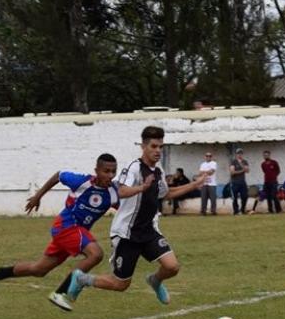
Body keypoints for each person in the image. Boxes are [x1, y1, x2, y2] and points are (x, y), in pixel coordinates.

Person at [0, 154, 152, 311]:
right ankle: (61, 292)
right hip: (66, 225)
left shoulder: (113, 193)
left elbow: (127, 209)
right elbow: (58, 175)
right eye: (106, 171)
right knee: (96, 254)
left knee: (39, 269)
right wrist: (38, 196)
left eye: (113, 171)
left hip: (74, 233)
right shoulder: (81, 182)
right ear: (96, 170)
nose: (110, 175)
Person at [65, 126, 206, 306]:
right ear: (143, 147)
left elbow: (166, 193)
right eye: (153, 146)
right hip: (127, 234)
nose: (158, 151)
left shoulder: (158, 171)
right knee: (120, 284)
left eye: (161, 147)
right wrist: (142, 187)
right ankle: (82, 279)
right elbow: (121, 190)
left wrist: (194, 185)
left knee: (172, 267)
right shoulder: (133, 168)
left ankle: (155, 280)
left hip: (148, 231)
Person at [229, 148, 250, 215]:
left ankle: (242, 210)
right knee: (234, 198)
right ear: (236, 154)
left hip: (242, 182)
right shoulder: (233, 162)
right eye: (238, 153)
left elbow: (247, 170)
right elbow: (232, 172)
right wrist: (242, 171)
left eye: (241, 153)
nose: (239, 155)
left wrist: (242, 165)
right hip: (235, 182)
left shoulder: (244, 161)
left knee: (245, 196)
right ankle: (236, 211)